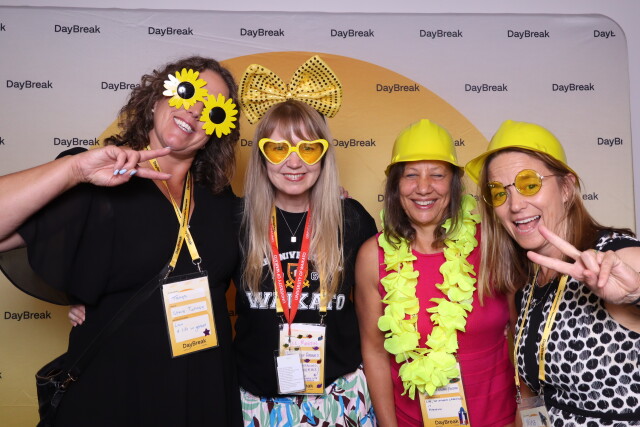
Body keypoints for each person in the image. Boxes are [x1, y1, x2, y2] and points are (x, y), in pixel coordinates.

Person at [0, 56, 243, 426]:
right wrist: (74, 170)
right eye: (187, 92)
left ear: (217, 128)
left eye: (212, 109)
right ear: (156, 99)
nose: (195, 110)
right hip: (113, 391)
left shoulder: (222, 201)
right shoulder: (100, 180)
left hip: (203, 392)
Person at [465, 119, 640, 425]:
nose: (515, 205)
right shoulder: (528, 280)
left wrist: (635, 294)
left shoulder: (613, 256)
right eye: (499, 193)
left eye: (529, 184)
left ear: (566, 188)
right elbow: (532, 395)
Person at [233, 56, 378, 426]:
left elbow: (383, 309)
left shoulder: (352, 219)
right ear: (262, 156)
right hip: (258, 402)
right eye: (279, 149)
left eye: (308, 148)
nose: (294, 162)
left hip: (338, 397)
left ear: (324, 155)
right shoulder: (235, 220)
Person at [355, 119, 516, 427]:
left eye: (437, 174)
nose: (423, 187)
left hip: (499, 419)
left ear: (454, 183)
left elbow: (521, 335)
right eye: (411, 175)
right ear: (396, 186)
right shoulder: (372, 256)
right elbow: (374, 352)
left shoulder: (494, 244)